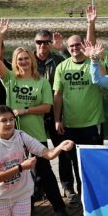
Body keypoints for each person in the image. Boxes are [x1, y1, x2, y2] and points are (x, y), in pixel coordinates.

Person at [0, 20, 71, 216]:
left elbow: (47, 107)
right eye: (20, 59)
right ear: (15, 62)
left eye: (26, 58)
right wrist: (0, 35)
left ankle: (60, 209)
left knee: (44, 171)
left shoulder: (41, 82)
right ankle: (27, 209)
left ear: (32, 61)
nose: (23, 61)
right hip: (12, 135)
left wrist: (25, 110)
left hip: (35, 133)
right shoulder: (10, 78)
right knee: (18, 172)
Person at [52, 31, 105, 203]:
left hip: (92, 123)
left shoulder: (92, 63)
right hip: (70, 123)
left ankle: (91, 195)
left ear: (83, 45)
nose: (74, 48)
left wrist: (95, 58)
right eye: (71, 46)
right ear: (67, 48)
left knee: (92, 162)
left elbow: (105, 79)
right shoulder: (62, 67)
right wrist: (57, 119)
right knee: (73, 160)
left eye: (77, 44)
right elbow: (58, 95)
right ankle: (76, 193)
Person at [33, 28, 73, 197]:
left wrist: (61, 49)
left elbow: (74, 62)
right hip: (35, 114)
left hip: (55, 112)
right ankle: (39, 187)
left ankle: (67, 186)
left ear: (50, 43)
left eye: (46, 42)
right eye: (39, 42)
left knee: (63, 151)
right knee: (36, 151)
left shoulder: (58, 60)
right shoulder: (28, 60)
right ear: (35, 43)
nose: (42, 45)